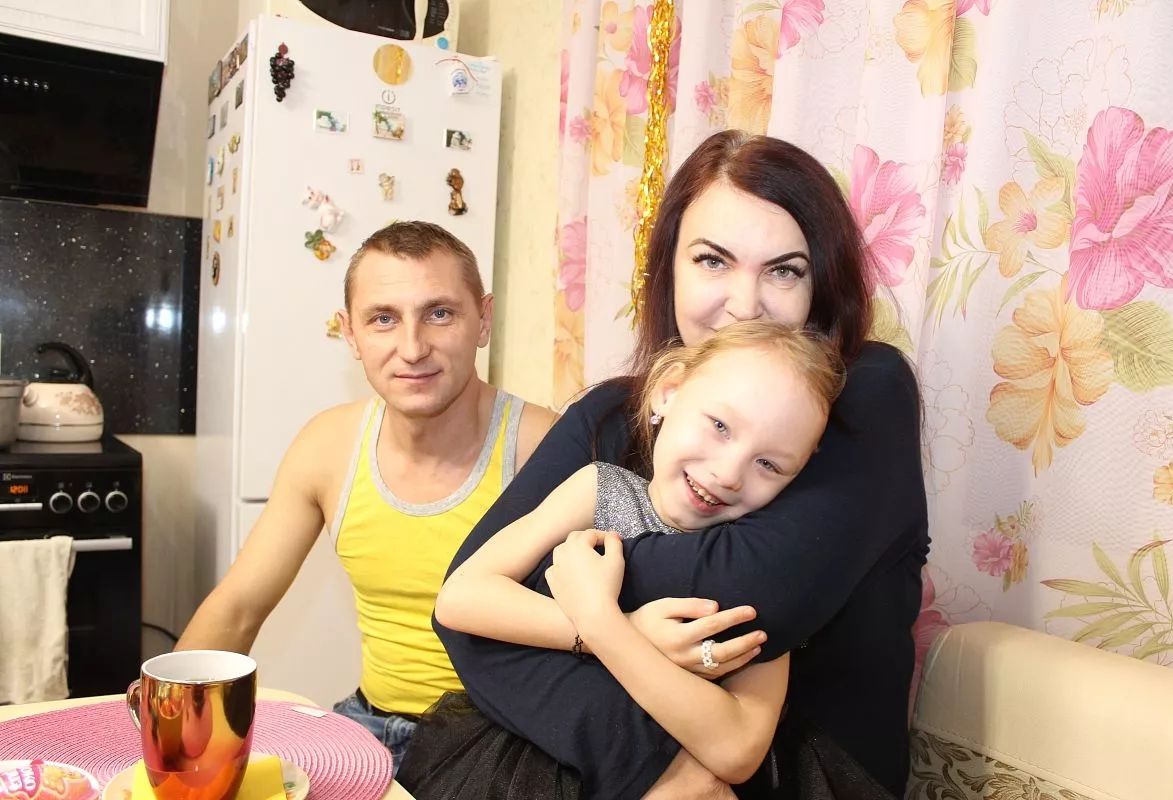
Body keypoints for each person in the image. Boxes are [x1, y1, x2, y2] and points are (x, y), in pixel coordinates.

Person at [422, 131, 928, 799]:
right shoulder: (609, 415)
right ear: (669, 269)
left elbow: (751, 595)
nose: (745, 304)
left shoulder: (862, 393)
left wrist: (569, 587)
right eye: (713, 260)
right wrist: (660, 767)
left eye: (784, 270)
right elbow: (463, 615)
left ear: (823, 284)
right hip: (609, 763)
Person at [175, 221, 557, 775]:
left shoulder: (546, 450)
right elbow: (236, 609)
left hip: (501, 744)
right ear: (350, 334)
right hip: (368, 728)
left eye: (439, 313)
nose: (412, 348)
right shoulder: (327, 446)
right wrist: (167, 730)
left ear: (483, 320)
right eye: (383, 319)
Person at [404, 322, 846, 797]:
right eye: (720, 426)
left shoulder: (756, 567)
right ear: (669, 392)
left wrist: (606, 626)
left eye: (769, 464)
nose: (728, 473)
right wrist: (632, 628)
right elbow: (460, 598)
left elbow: (737, 750)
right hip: (531, 759)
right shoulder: (599, 491)